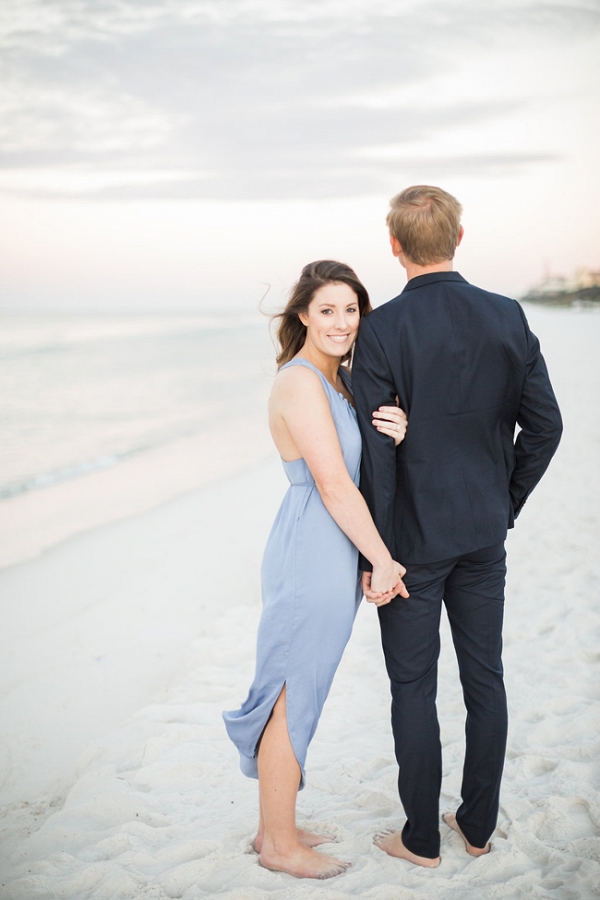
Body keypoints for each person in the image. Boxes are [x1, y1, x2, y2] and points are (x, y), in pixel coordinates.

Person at [352, 185, 563, 868]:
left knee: (413, 686)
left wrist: (376, 552)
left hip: (411, 542)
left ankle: (419, 839)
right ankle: (476, 827)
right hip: (482, 531)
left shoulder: (381, 328)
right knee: (486, 679)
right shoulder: (506, 314)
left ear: (393, 245)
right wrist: (505, 501)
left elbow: (376, 450)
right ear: (459, 238)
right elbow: (546, 427)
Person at [223, 260, 409, 880]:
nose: (341, 322)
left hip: (334, 546)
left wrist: (397, 427)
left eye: (351, 309)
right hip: (311, 547)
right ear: (302, 313)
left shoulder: (343, 382)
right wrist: (381, 559)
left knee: (303, 689)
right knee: (289, 693)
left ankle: (275, 825)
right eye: (327, 310)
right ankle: (278, 844)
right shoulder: (302, 382)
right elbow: (332, 484)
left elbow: (362, 467)